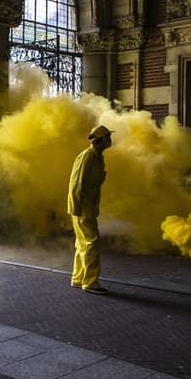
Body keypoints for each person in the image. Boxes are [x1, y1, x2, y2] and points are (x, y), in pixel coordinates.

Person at [67, 124, 113, 295]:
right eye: (108, 137)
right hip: (82, 207)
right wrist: (76, 207)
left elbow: (94, 183)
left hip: (88, 206)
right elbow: (76, 183)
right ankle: (91, 282)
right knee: (91, 242)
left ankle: (78, 278)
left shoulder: (98, 157)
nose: (110, 140)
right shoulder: (87, 156)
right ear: (99, 141)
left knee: (82, 243)